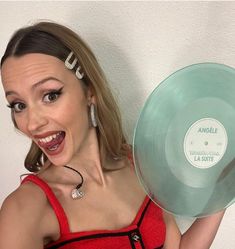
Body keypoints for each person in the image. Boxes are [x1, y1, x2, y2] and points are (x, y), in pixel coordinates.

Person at [0, 21, 225, 249]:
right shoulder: (25, 210)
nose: (32, 123)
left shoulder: (139, 164)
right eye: (18, 105)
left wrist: (224, 186)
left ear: (90, 91)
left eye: (50, 95)